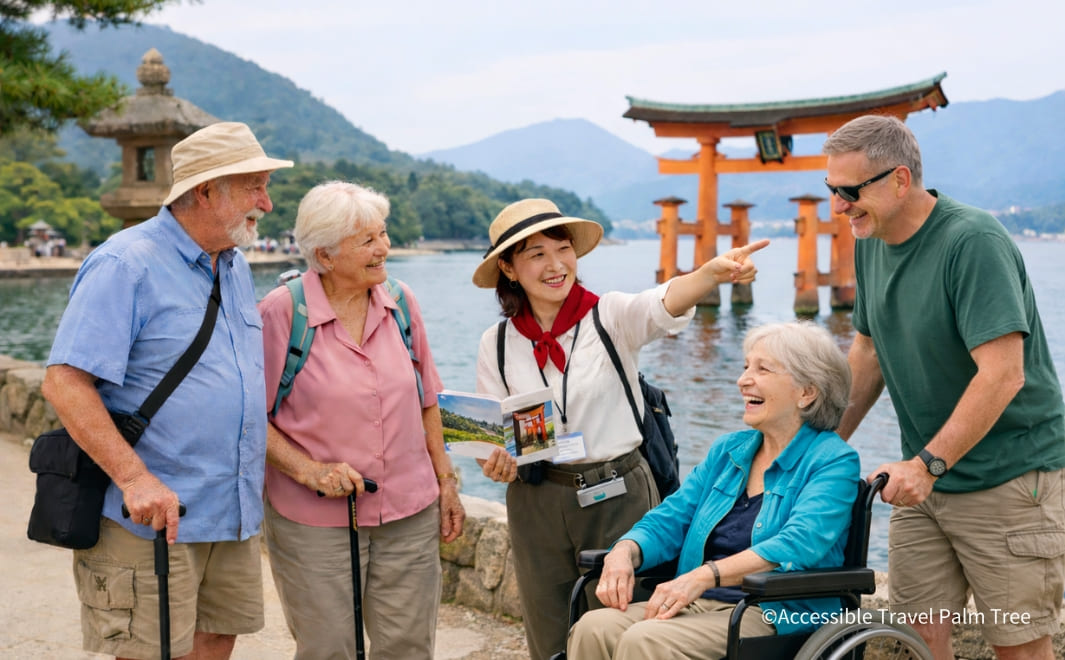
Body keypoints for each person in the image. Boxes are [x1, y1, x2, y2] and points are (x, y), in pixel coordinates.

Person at [472, 197, 769, 660]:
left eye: (563, 249)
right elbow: (493, 435)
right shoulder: (496, 343)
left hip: (617, 493)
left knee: (624, 629)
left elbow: (662, 303)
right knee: (548, 634)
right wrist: (494, 462)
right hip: (536, 499)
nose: (556, 265)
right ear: (509, 269)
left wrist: (709, 275)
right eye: (537, 254)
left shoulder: (608, 315)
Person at [41, 121, 292, 659]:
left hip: (230, 511)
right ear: (206, 191)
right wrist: (135, 479)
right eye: (254, 187)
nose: (266, 204)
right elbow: (64, 382)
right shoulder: (124, 263)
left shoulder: (235, 267)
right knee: (150, 652)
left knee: (216, 640)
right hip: (154, 517)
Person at [826, 114, 1065, 660]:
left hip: (1008, 479)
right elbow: (867, 353)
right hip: (924, 484)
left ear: (900, 180)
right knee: (919, 640)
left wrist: (928, 465)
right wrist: (819, 446)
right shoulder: (871, 237)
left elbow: (1004, 373)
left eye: (850, 191)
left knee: (1019, 645)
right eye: (831, 189)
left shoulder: (972, 241)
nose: (839, 206)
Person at [258, 181, 465, 660]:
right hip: (315, 521)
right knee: (329, 649)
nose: (384, 248)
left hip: (409, 512)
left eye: (383, 233)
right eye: (367, 241)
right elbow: (248, 418)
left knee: (409, 647)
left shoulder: (401, 301)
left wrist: (447, 483)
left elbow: (427, 400)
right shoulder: (281, 312)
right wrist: (310, 471)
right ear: (325, 255)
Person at [566, 321, 860, 659]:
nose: (743, 380)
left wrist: (705, 576)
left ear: (807, 392)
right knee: (594, 627)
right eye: (746, 366)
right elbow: (671, 518)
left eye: (762, 369)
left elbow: (800, 543)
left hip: (777, 612)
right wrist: (624, 551)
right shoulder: (729, 451)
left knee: (645, 640)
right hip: (701, 603)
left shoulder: (833, 460)